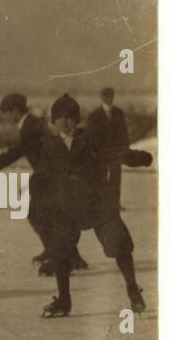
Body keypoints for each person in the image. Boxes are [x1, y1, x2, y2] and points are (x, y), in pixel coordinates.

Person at [36, 94, 149, 319]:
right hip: (68, 208)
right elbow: (41, 176)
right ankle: (64, 300)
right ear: (54, 121)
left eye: (70, 117)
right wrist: (39, 196)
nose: (65, 122)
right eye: (60, 118)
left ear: (77, 120)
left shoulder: (91, 138)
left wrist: (138, 157)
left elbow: (115, 152)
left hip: (98, 205)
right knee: (59, 251)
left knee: (119, 244)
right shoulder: (49, 146)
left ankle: (133, 290)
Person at [0, 92, 55, 263]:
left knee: (35, 209)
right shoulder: (30, 122)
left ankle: (55, 250)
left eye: (8, 111)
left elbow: (18, 151)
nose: (6, 115)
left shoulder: (29, 125)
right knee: (45, 212)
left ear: (16, 110)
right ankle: (60, 251)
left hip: (49, 173)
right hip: (47, 172)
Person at [86, 86, 131, 212]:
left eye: (110, 95)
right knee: (101, 177)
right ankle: (102, 203)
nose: (108, 98)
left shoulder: (119, 113)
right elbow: (90, 135)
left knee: (116, 178)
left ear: (113, 97)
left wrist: (125, 147)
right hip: (101, 153)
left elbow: (124, 132)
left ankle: (116, 203)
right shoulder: (94, 115)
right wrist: (93, 152)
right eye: (106, 96)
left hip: (116, 152)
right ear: (101, 97)